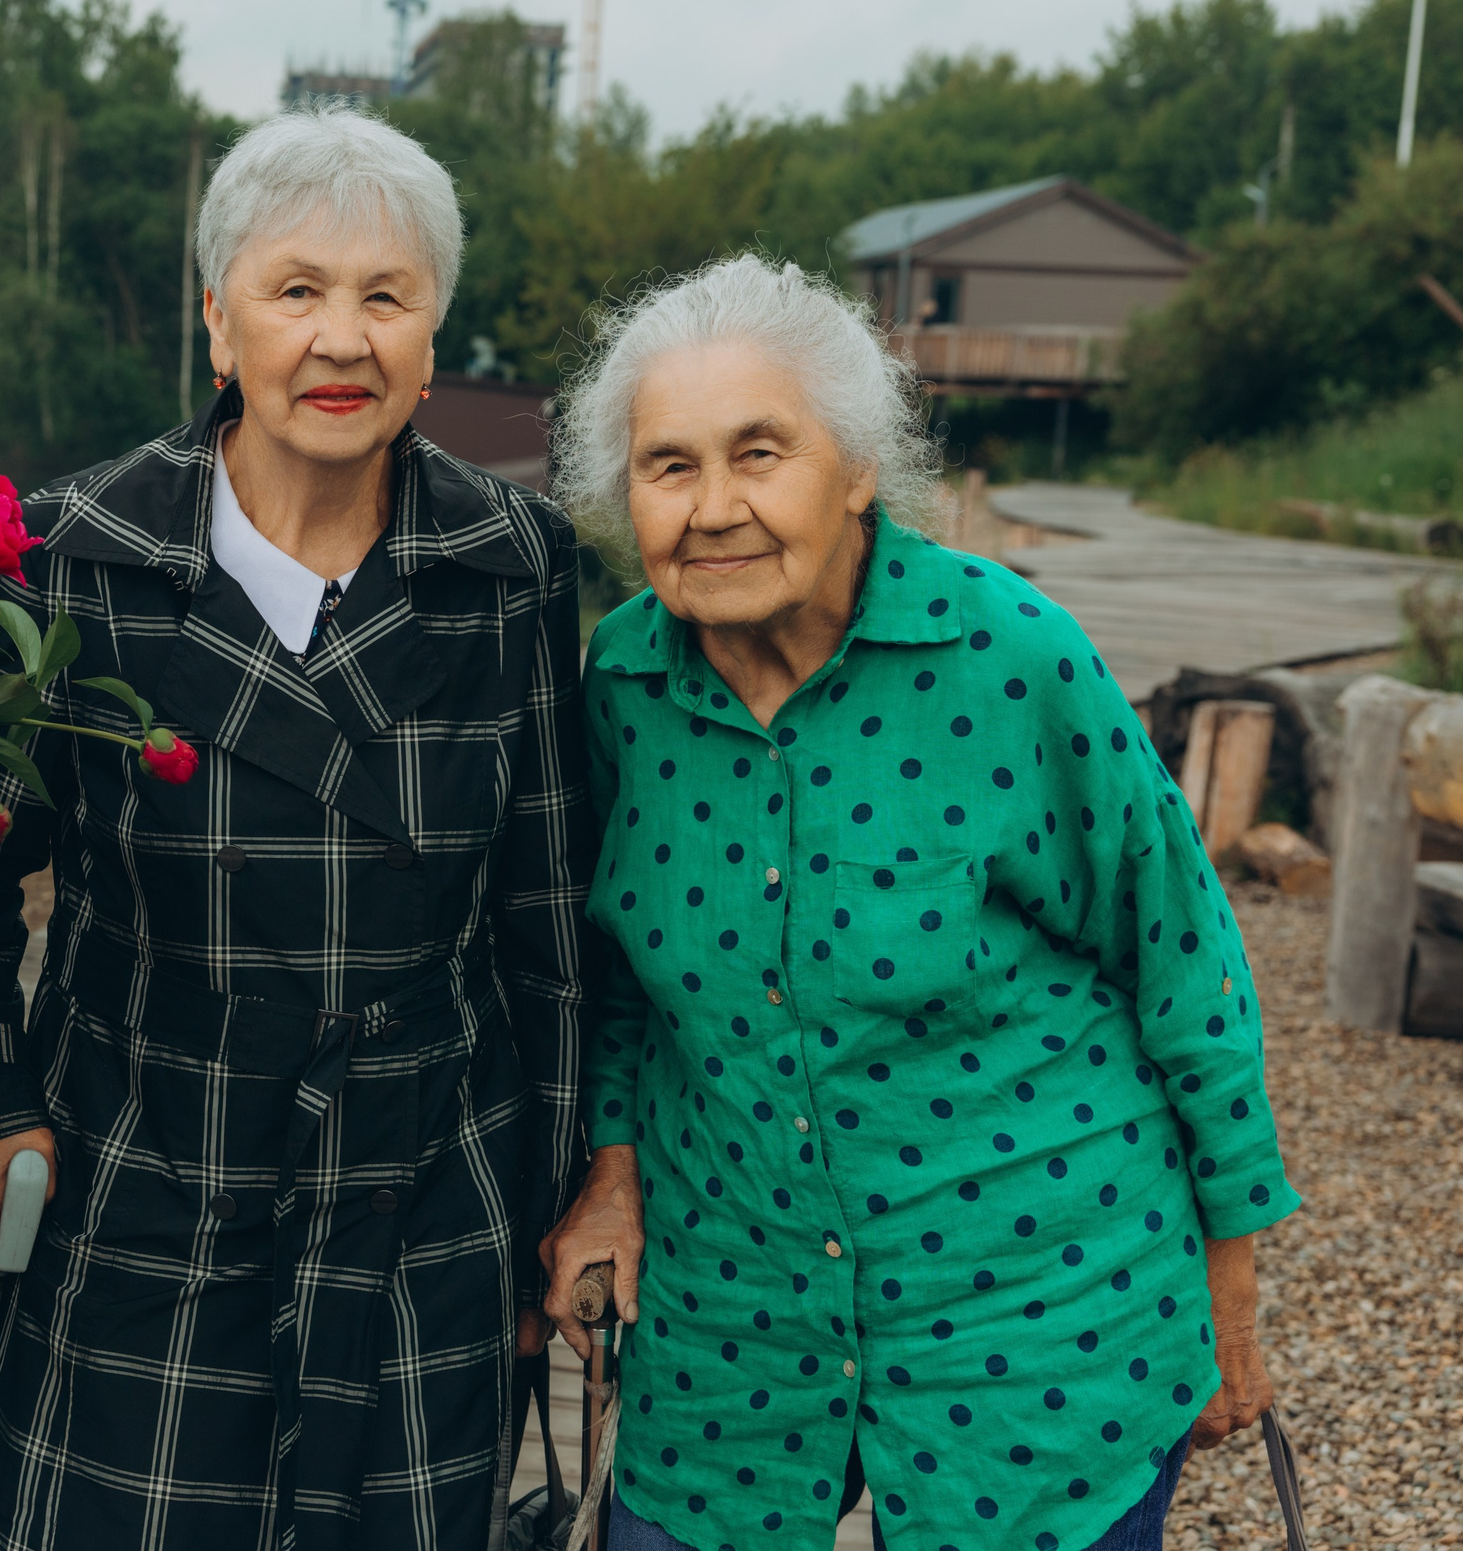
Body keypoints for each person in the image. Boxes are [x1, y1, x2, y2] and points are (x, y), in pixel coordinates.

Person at [0, 104, 600, 1551]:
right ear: (219, 322)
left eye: (385, 298)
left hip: (425, 1196)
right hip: (141, 1178)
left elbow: (548, 912)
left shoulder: (514, 563)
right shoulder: (70, 554)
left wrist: (565, 1188)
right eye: (297, 292)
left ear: (431, 340)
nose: (340, 340)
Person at [537, 254, 1296, 1551]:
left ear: (859, 471)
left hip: (1035, 1309)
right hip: (735, 1323)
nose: (714, 507)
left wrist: (1233, 1300)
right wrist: (610, 1177)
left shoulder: (1009, 657)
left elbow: (1183, 961)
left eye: (759, 453)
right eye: (670, 467)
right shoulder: (621, 689)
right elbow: (615, 980)